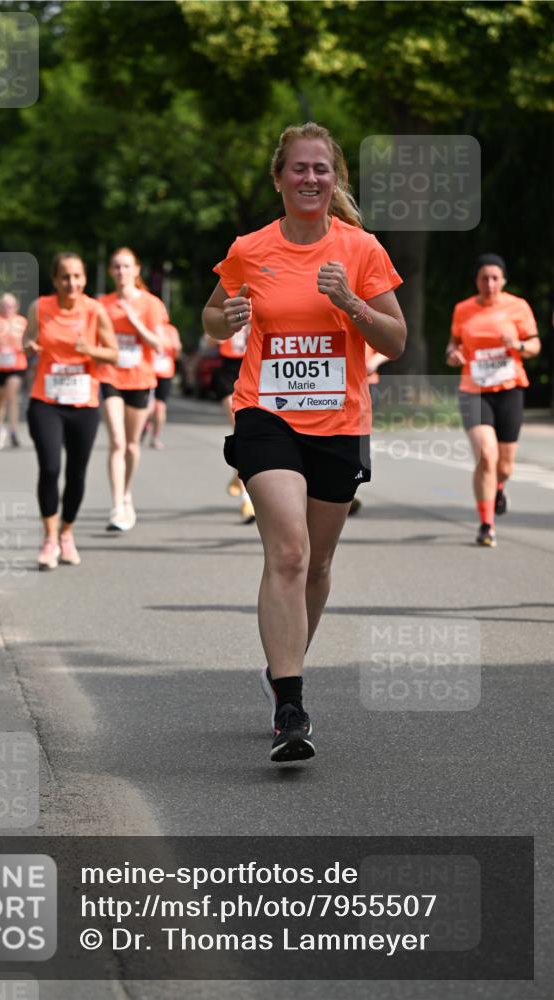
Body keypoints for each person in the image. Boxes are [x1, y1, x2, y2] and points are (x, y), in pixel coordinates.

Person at [203, 122, 406, 763]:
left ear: (335, 177)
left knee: (316, 563)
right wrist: (225, 318)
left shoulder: (362, 249)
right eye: (299, 168)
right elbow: (211, 315)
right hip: (266, 414)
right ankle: (290, 703)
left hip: (339, 423)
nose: (310, 178)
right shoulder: (250, 249)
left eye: (321, 168)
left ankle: (281, 666)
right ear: (279, 177)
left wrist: (351, 302)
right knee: (288, 551)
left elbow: (394, 341)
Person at [24, 252, 118, 570]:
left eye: (77, 276)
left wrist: (89, 350)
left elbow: (113, 353)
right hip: (46, 401)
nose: (72, 282)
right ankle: (49, 538)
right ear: (55, 280)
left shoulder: (95, 311)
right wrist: (30, 347)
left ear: (85, 279)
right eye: (65, 276)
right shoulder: (40, 307)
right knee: (50, 468)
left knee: (76, 472)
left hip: (83, 403)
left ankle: (67, 532)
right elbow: (27, 340)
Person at [446, 253, 540, 547]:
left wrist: (520, 344)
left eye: (495, 278)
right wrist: (452, 355)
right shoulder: (463, 310)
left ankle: (499, 486)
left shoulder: (518, 307)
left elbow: (535, 345)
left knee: (505, 465)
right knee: (487, 455)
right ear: (476, 280)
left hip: (510, 389)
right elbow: (454, 343)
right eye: (484, 278)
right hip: (474, 390)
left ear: (503, 280)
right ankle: (487, 524)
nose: (489, 283)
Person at [97, 247, 164, 531]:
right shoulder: (102, 305)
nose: (121, 272)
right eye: (116, 267)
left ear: (136, 270)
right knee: (116, 441)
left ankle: (126, 494)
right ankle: (115, 506)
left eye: (126, 267)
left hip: (140, 379)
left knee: (132, 445)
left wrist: (134, 321)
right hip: (110, 376)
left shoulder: (150, 304)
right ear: (111, 272)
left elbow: (158, 344)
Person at [208, 326, 256, 524]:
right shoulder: (228, 301)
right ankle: (247, 500)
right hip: (230, 371)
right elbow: (211, 340)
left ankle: (238, 476)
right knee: (241, 428)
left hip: (255, 367)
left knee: (247, 432)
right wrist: (219, 332)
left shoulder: (264, 300)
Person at [348, 343, 390, 516]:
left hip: (366, 381)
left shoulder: (364, 315)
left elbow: (390, 344)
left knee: (355, 434)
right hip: (334, 382)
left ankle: (349, 488)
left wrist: (374, 361)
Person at [0, 293, 28, 449]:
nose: (7, 308)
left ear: (16, 306)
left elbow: (29, 342)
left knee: (12, 396)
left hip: (16, 365)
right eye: (3, 305)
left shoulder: (22, 322)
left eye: (10, 305)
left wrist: (21, 346)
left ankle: (13, 432)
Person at [146, 319, 182, 449]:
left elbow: (177, 351)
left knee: (159, 407)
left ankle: (154, 436)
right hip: (148, 372)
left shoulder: (171, 330)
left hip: (165, 373)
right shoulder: (148, 325)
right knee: (149, 406)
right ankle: (145, 427)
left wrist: (175, 349)